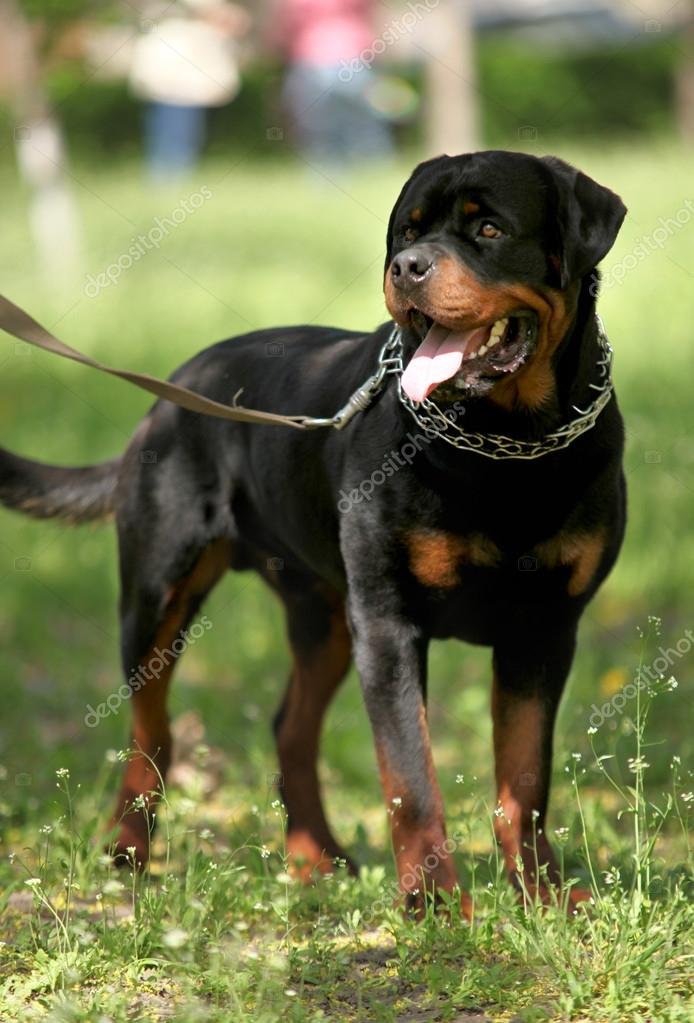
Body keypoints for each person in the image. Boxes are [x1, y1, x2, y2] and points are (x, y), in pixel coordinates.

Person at [129, 0, 250, 180]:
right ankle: (170, 179)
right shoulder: (194, 35)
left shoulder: (170, 32)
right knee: (178, 141)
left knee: (170, 140)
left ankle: (168, 179)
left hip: (172, 96)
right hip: (179, 98)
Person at [269, 0, 393, 166]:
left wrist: (276, 51)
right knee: (363, 120)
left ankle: (329, 165)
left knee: (317, 124)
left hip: (311, 59)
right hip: (355, 57)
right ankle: (375, 162)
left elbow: (285, 26)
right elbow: (372, 15)